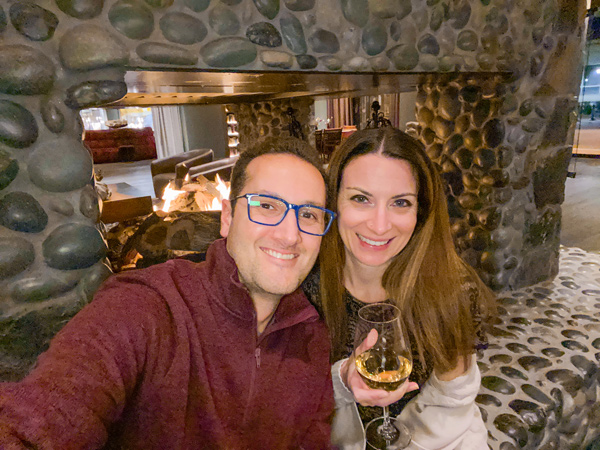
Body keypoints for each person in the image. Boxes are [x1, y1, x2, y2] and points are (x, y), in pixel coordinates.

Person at [0, 137, 336, 450]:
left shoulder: (311, 337)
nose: (291, 235)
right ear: (228, 218)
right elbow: (42, 418)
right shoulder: (147, 308)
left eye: (309, 214)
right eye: (266, 206)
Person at [303, 127, 496, 449]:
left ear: (419, 212)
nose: (379, 225)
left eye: (400, 202)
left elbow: (452, 400)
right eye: (361, 198)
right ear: (333, 201)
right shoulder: (303, 285)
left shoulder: (453, 287)